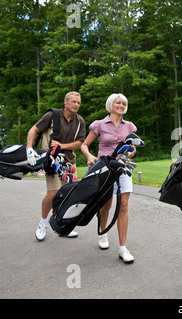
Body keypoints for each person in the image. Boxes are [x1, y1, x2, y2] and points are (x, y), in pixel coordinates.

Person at [80, 93, 137, 264]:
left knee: (124, 205)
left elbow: (133, 149)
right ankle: (102, 231)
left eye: (124, 103)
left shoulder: (130, 126)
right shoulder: (99, 124)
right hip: (105, 169)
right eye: (118, 103)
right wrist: (90, 157)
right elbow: (84, 145)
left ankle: (122, 248)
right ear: (111, 104)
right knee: (106, 205)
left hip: (124, 168)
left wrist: (131, 151)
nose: (121, 105)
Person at [27, 91, 86, 241]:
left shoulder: (80, 121)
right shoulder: (52, 115)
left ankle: (63, 226)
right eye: (73, 102)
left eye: (78, 103)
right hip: (52, 161)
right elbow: (34, 130)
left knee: (68, 195)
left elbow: (80, 143)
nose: (76, 105)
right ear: (65, 102)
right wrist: (29, 148)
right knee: (53, 193)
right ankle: (43, 223)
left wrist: (62, 145)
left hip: (69, 162)